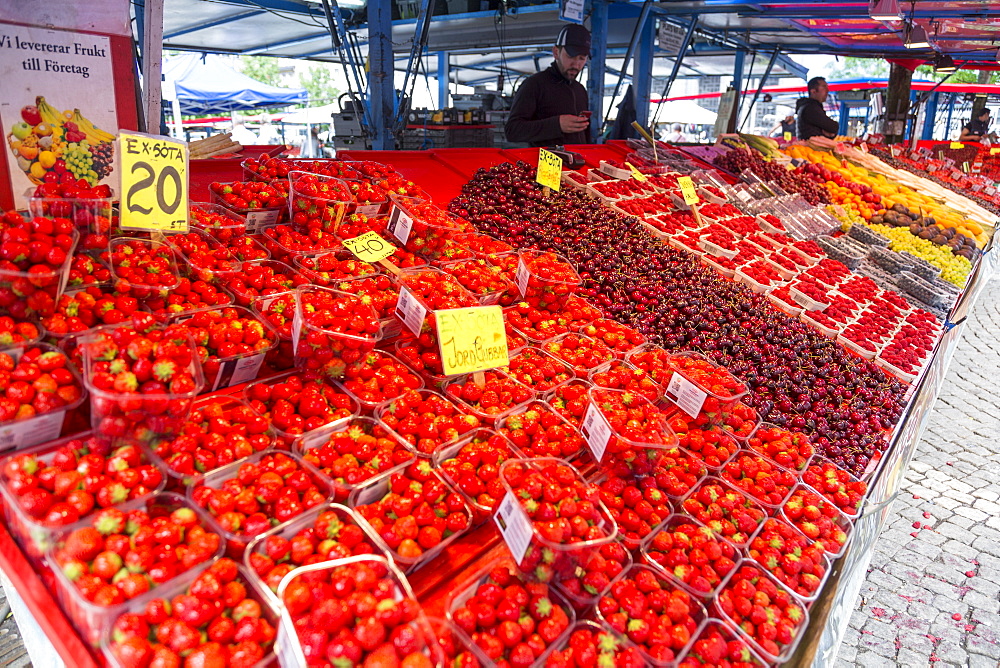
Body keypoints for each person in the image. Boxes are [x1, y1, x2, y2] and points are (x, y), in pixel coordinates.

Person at [505, 24, 591, 146]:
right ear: (556, 52)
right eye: (570, 56)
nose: (576, 65)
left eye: (581, 58)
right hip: (545, 163)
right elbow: (512, 131)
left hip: (578, 162)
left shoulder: (580, 90)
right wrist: (556, 125)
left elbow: (585, 134)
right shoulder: (534, 85)